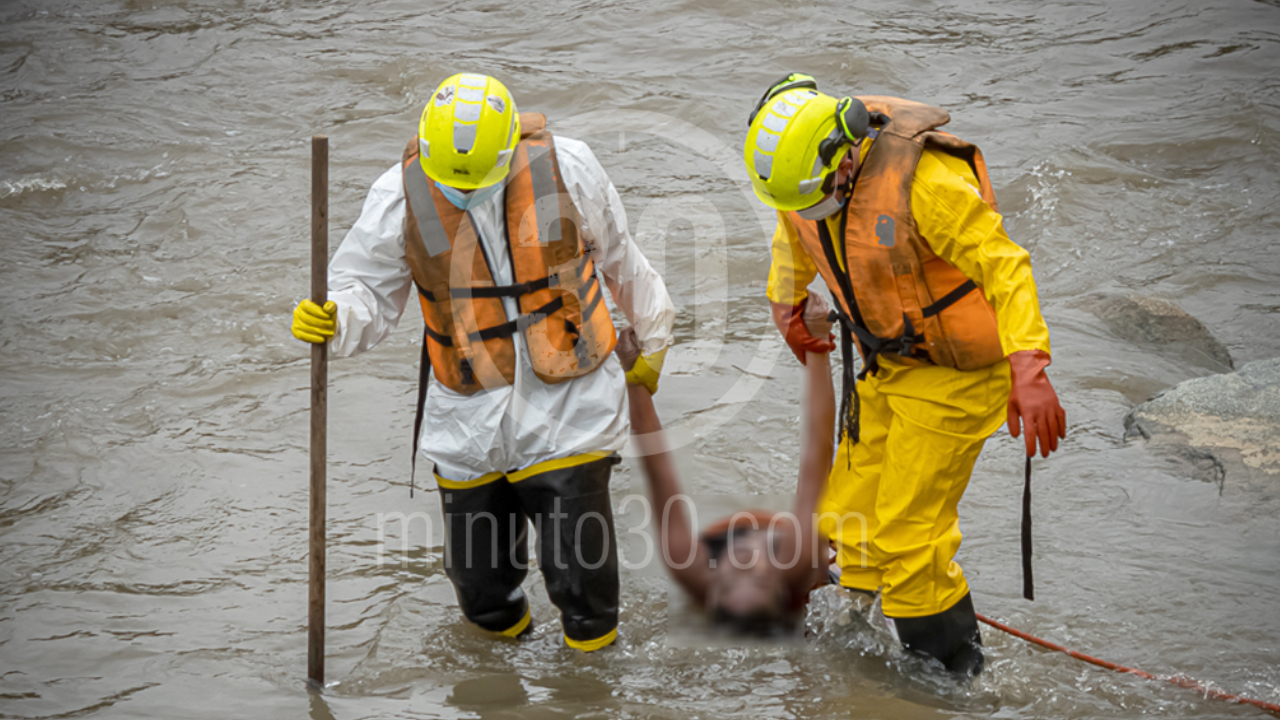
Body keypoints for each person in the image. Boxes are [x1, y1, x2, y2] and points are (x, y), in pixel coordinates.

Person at [290, 73, 675, 652]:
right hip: (467, 419)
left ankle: (591, 695)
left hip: (572, 408)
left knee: (584, 588)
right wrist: (335, 318)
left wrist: (655, 339)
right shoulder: (399, 194)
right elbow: (364, 290)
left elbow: (621, 258)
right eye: (451, 183)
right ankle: (503, 687)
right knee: (480, 592)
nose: (462, 193)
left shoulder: (568, 167)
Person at [741, 73, 1067, 674]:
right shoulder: (804, 183)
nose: (811, 210)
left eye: (819, 196)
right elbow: (796, 232)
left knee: (910, 535)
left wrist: (1030, 365)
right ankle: (859, 641)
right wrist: (786, 300)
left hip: (957, 376)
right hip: (885, 361)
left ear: (846, 149)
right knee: (850, 516)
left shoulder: (923, 182)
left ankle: (949, 681)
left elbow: (1006, 267)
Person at [617, 294, 835, 636]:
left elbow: (657, 468)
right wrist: (818, 341)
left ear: (711, 589)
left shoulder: (692, 567)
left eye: (732, 580)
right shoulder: (798, 560)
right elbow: (817, 450)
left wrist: (634, 375)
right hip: (799, 560)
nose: (745, 564)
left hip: (728, 542)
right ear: (777, 584)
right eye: (757, 578)